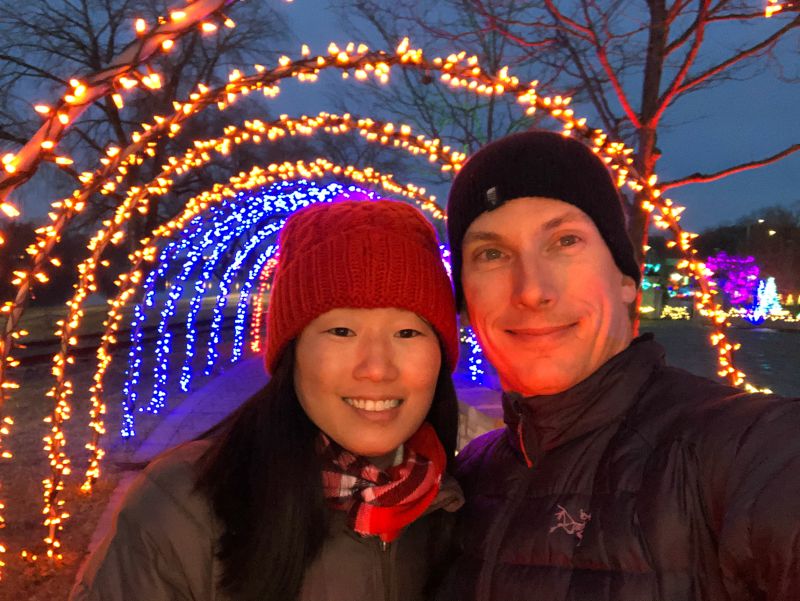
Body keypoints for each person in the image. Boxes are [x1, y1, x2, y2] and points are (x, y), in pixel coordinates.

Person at [435, 130, 800, 601]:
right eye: (492, 254)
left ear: (626, 279)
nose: (532, 290)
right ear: (465, 304)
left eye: (565, 241)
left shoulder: (742, 448)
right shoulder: (468, 478)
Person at [70, 199, 464, 601]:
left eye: (407, 333)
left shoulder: (467, 505)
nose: (377, 369)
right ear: (293, 352)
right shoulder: (182, 509)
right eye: (342, 331)